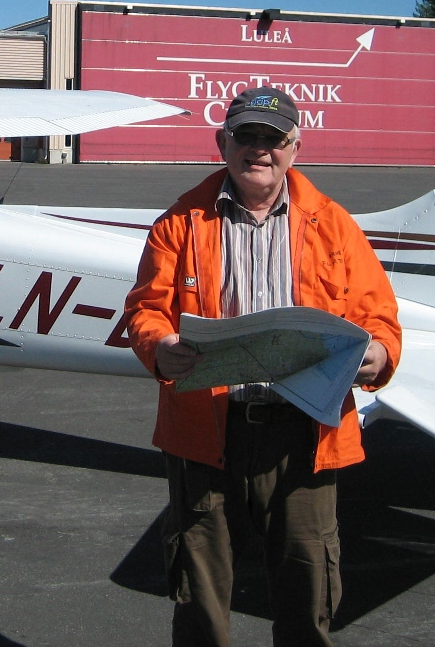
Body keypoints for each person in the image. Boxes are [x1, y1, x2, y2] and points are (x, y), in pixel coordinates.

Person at [124, 87, 401, 647]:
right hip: (207, 431)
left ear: (295, 147)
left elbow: (379, 318)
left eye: (273, 139)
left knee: (308, 599)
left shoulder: (335, 225)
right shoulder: (179, 222)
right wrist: (159, 346)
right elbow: (145, 310)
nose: (259, 149)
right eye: (245, 136)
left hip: (304, 435)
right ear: (222, 142)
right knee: (200, 606)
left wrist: (380, 354)